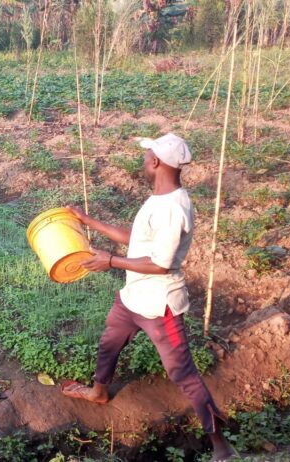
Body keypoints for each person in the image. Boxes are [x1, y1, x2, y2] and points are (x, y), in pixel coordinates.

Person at [62, 133, 235, 461]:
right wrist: (89, 221)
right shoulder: (159, 198)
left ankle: (221, 447)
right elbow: (139, 242)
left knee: (183, 374)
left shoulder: (172, 208)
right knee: (109, 343)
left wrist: (109, 261)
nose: (143, 161)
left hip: (160, 307)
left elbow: (160, 262)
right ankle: (98, 392)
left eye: (147, 156)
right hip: (132, 298)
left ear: (156, 163)